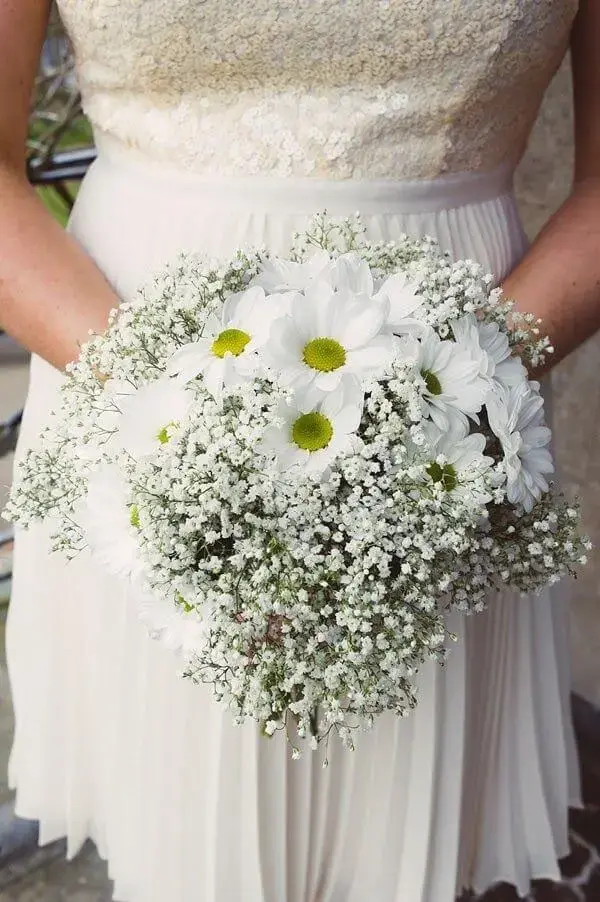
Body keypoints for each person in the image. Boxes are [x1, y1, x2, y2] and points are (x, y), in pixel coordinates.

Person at [1, 2, 599, 901]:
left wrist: (449, 401)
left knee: (406, 817)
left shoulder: (455, 400)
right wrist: (176, 421)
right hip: (125, 357)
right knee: (185, 812)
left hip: (459, 388)